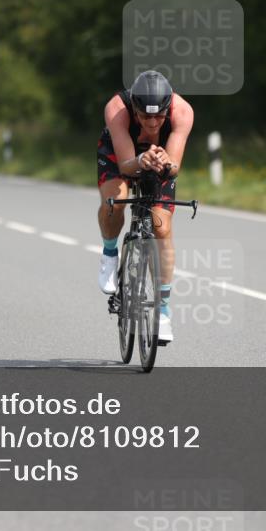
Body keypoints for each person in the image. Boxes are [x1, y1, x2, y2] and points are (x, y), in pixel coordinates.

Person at [96, 70, 194, 344]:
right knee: (114, 202)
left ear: (167, 109)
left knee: (162, 227)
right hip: (121, 154)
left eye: (158, 116)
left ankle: (162, 313)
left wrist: (165, 163)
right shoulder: (117, 109)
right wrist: (141, 160)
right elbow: (126, 164)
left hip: (158, 158)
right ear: (134, 108)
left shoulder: (183, 112)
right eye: (145, 116)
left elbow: (174, 167)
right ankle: (109, 253)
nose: (152, 123)